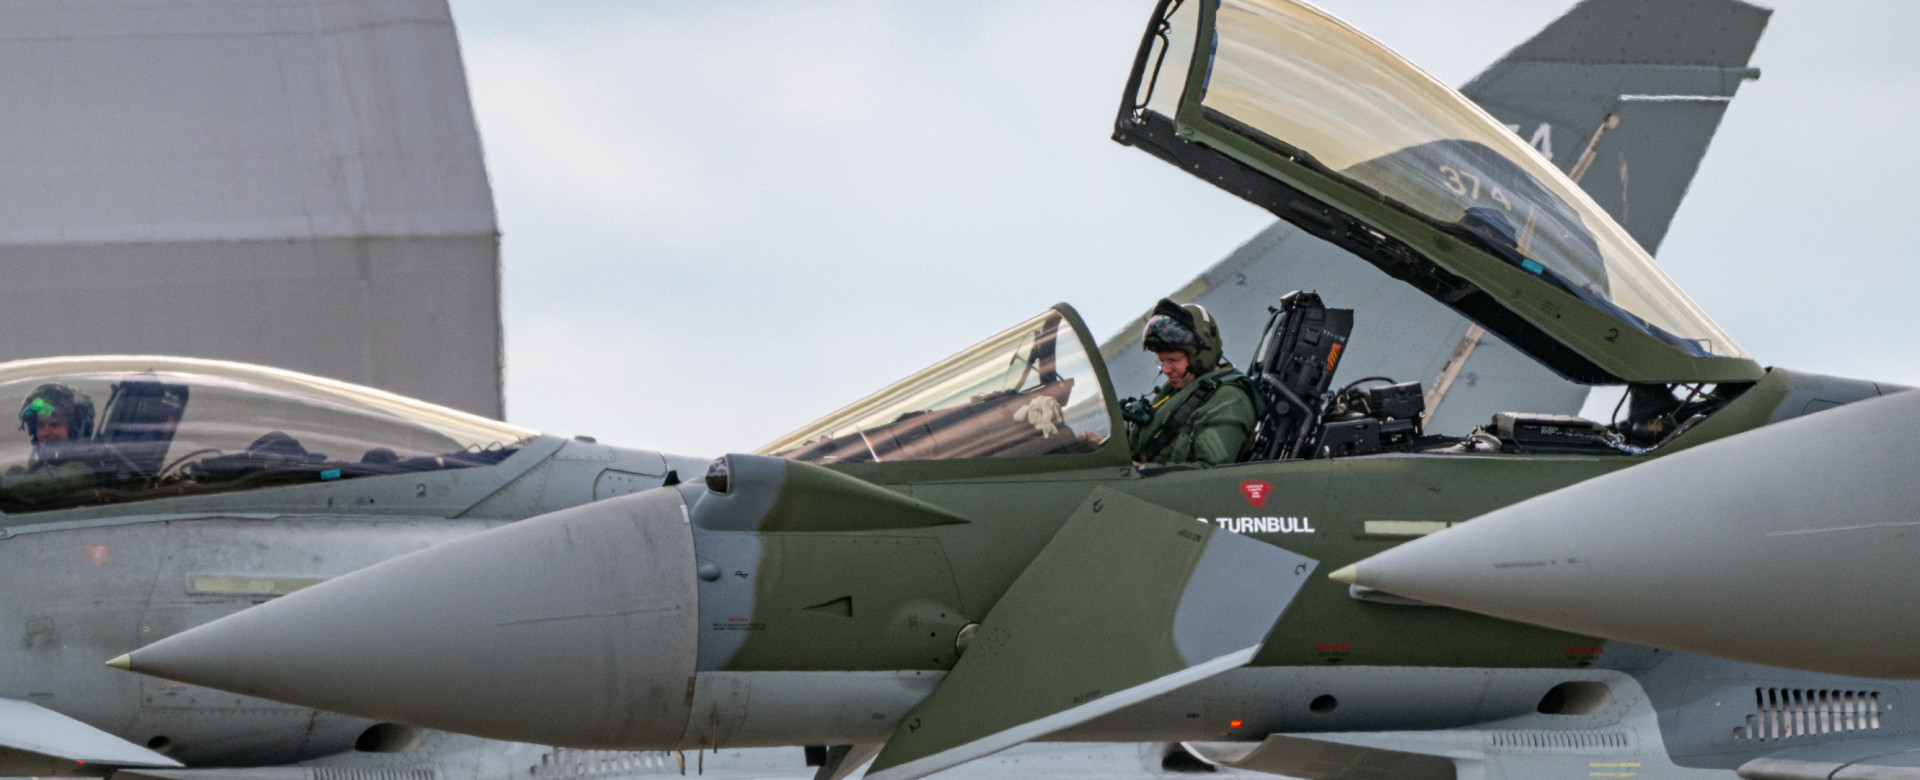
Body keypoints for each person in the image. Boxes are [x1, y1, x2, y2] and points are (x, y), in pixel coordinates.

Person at [1129, 299, 1256, 466]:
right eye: (1161, 361)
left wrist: (1141, 471)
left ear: (1200, 356)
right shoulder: (1179, 390)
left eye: (1173, 360)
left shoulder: (1228, 400)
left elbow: (1211, 475)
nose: (1166, 370)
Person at [2, 383, 100, 505]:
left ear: (76, 429)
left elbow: (36, 485)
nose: (45, 432)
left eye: (55, 425)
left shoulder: (80, 469)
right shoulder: (50, 462)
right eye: (40, 425)